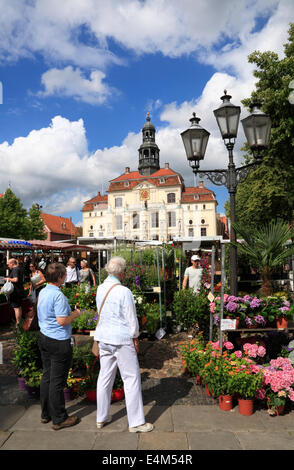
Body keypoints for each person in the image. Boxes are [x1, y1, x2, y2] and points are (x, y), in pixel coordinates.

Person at [94, 256, 153, 433]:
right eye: (125, 270)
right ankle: (135, 422)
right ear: (121, 272)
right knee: (131, 379)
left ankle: (101, 417)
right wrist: (135, 337)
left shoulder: (100, 289)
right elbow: (131, 319)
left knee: (105, 377)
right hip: (121, 339)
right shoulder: (124, 291)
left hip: (104, 338)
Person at [37, 262, 82, 431]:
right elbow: (62, 320)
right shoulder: (58, 296)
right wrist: (76, 314)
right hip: (58, 341)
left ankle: (46, 413)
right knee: (57, 381)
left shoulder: (43, 291)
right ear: (61, 277)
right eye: (64, 275)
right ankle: (59, 418)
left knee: (47, 377)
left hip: (44, 337)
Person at [4, 258, 25, 325]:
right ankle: (19, 322)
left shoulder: (15, 269)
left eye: (8, 264)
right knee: (19, 307)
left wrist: (7, 279)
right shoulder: (20, 268)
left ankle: (18, 324)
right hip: (20, 290)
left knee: (16, 308)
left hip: (16, 291)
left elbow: (16, 280)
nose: (8, 266)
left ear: (12, 263)